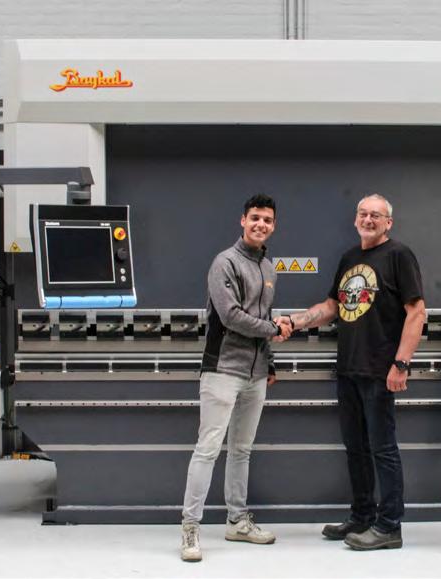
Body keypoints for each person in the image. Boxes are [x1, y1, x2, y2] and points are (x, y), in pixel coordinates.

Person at [278, 193, 426, 551]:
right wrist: (294, 321)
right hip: (348, 369)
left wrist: (401, 364)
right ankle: (362, 516)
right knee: (356, 449)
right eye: (363, 213)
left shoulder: (399, 255)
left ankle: (389, 526)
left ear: (388, 222)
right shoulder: (349, 259)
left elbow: (417, 312)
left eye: (376, 215)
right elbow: (332, 306)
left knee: (383, 449)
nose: (368, 219)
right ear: (355, 219)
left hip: (380, 370)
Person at [180, 194, 291, 562]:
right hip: (223, 370)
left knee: (242, 450)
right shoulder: (224, 262)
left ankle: (237, 521)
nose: (261, 224)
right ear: (243, 221)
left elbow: (264, 316)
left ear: (273, 226)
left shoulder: (269, 269)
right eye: (255, 217)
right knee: (208, 449)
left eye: (267, 220)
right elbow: (231, 316)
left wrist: (269, 362)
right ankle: (190, 527)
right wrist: (274, 329)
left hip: (255, 375)